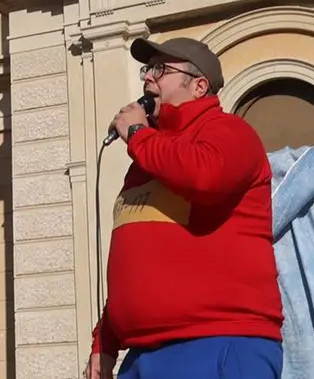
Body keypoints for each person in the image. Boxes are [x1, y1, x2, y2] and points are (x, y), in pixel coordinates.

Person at [90, 37, 283, 379]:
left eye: (161, 70)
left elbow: (204, 177)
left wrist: (137, 133)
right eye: (148, 69)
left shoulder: (228, 132)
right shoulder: (147, 159)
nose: (148, 78)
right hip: (143, 353)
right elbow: (139, 262)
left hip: (219, 339)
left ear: (198, 86)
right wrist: (104, 341)